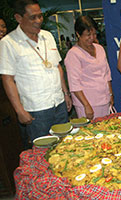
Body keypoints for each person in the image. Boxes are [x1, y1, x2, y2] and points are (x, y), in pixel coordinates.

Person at [0, 0, 72, 146]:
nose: (38, 21)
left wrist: (65, 94)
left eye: (40, 16)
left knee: (66, 146)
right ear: (19, 18)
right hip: (36, 110)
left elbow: (57, 67)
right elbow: (7, 79)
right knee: (42, 151)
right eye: (33, 17)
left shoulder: (48, 36)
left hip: (59, 103)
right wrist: (19, 110)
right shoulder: (9, 43)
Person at [64, 16, 114, 120]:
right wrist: (86, 106)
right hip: (87, 104)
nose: (92, 37)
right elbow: (74, 84)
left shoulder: (100, 49)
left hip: (104, 100)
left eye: (94, 34)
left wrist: (110, 94)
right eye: (88, 35)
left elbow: (107, 74)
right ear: (78, 34)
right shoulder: (73, 54)